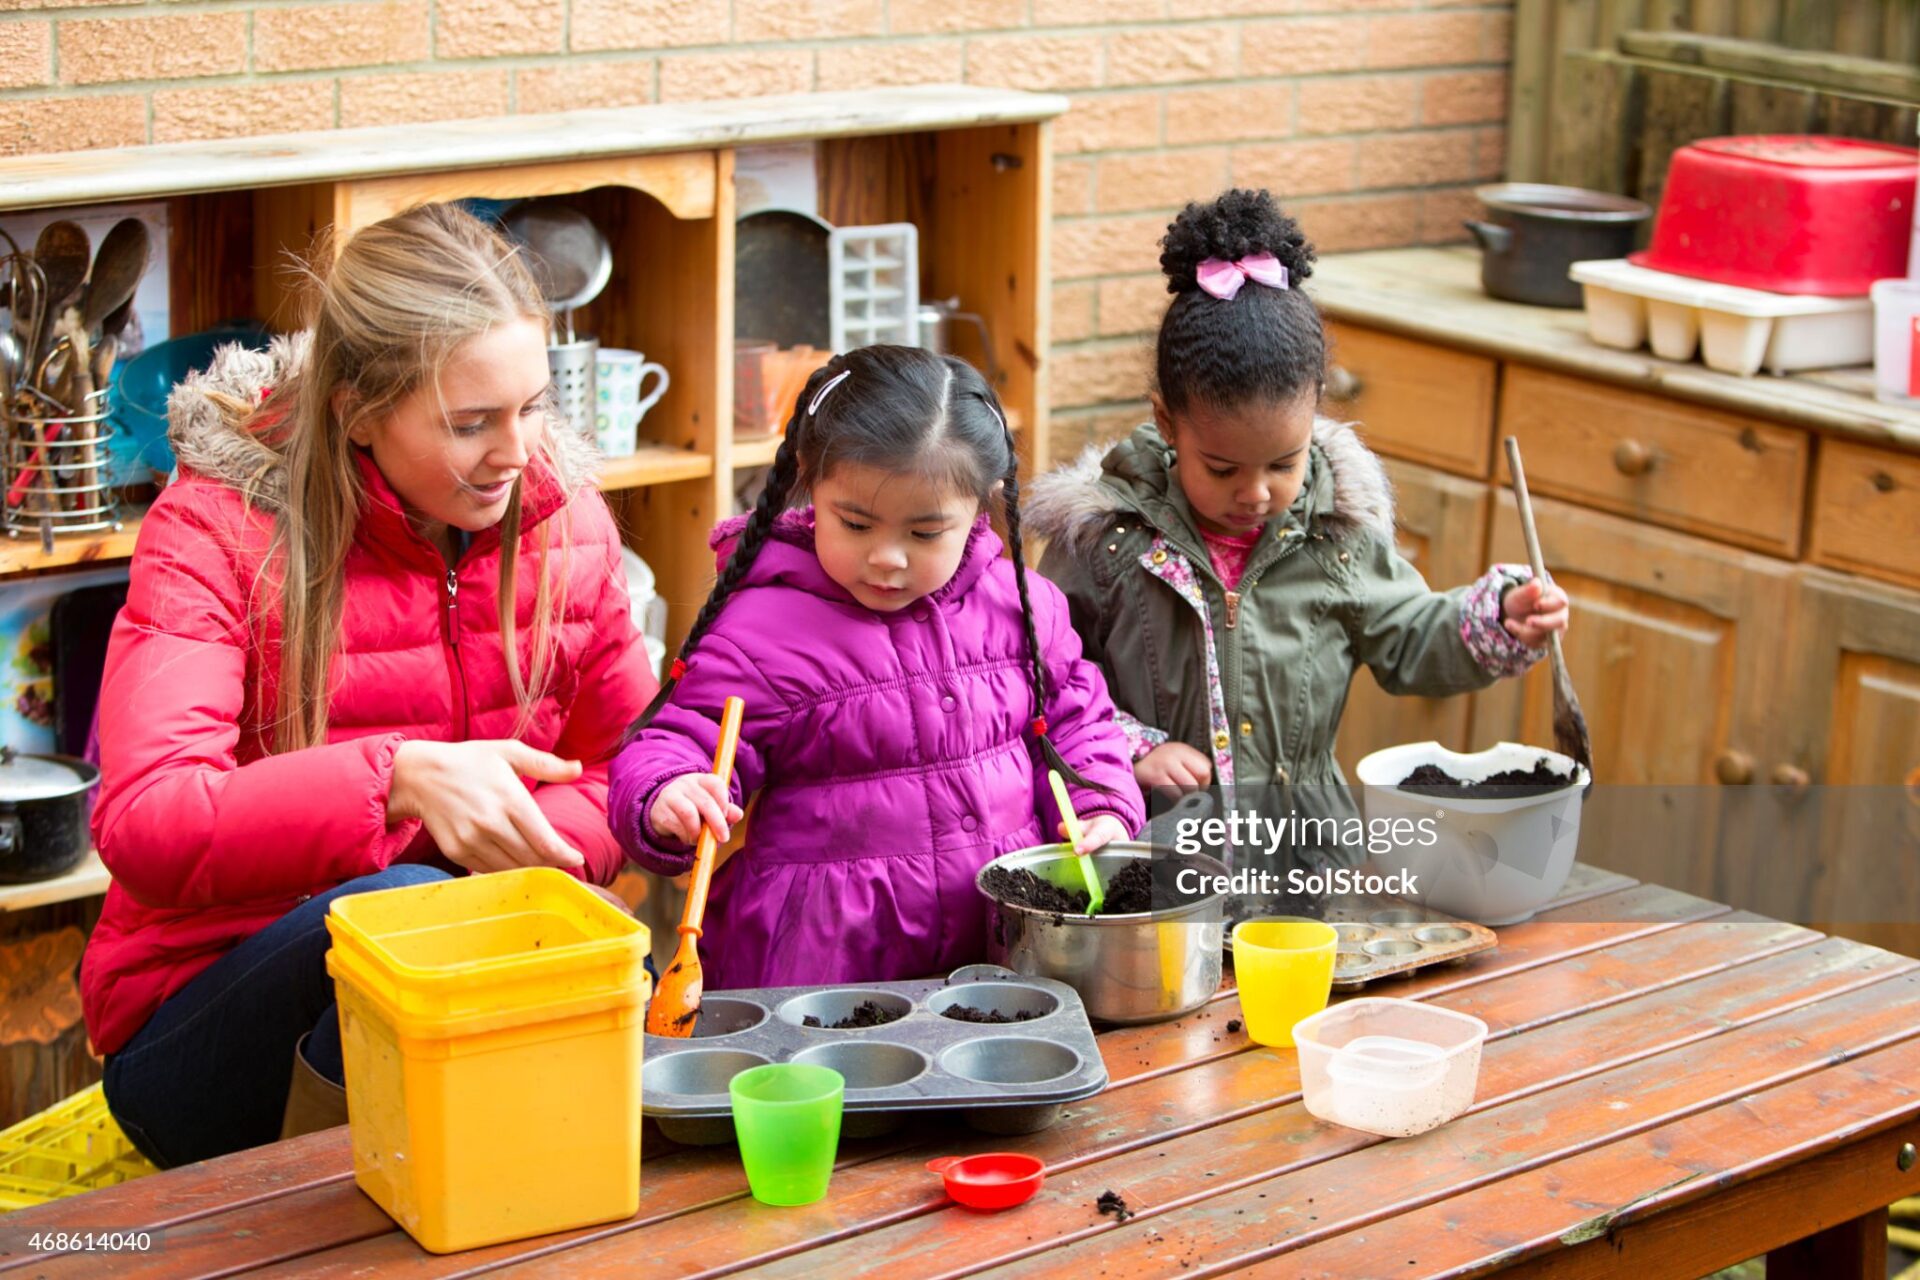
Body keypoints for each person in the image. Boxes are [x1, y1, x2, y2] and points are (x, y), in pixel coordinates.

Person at [81, 203, 657, 1168]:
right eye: (471, 424)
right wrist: (396, 780)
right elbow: (147, 820)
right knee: (401, 907)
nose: (518, 455)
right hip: (205, 1026)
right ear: (355, 411)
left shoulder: (567, 521)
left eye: (534, 406)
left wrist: (536, 848)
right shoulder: (214, 533)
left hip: (467, 980)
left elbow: (628, 762)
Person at [1029, 189, 1570, 869]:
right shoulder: (1107, 543)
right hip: (1158, 864)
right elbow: (1045, 678)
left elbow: (1412, 632)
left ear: (1315, 411)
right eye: (1222, 468)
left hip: (1306, 862)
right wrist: (1135, 749)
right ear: (1168, 425)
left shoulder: (1334, 536)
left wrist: (1498, 618)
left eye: (1283, 463)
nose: (1255, 493)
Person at [609, 345, 1142, 989]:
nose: (887, 558)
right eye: (856, 523)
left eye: (924, 534)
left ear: (980, 505)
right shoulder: (763, 629)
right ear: (811, 479)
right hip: (821, 962)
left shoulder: (1022, 608)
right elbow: (681, 735)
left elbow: (1079, 722)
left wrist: (1102, 807)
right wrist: (670, 790)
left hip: (1000, 942)